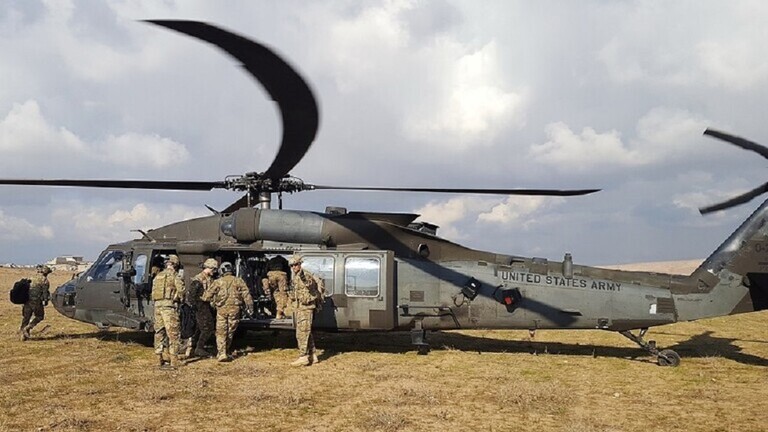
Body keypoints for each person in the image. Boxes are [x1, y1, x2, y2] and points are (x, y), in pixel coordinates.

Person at [202, 262, 254, 362]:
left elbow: (207, 296)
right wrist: (250, 308)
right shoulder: (239, 281)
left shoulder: (218, 282)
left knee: (221, 331)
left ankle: (222, 353)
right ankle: (226, 350)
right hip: (235, 310)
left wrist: (210, 301)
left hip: (221, 309)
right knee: (230, 331)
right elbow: (247, 295)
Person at [288, 254, 324, 367]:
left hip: (306, 308)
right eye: (291, 266)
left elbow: (308, 283)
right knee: (307, 332)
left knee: (301, 333)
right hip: (301, 307)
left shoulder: (305, 275)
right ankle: (313, 355)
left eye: (295, 265)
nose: (293, 267)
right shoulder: (296, 276)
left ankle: (303, 357)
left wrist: (302, 275)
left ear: (300, 264)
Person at [151, 254, 185, 368]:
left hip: (157, 306)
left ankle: (158, 359)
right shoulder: (175, 276)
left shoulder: (158, 276)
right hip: (169, 307)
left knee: (159, 332)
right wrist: (180, 301)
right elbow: (181, 291)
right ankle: (174, 361)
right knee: (174, 334)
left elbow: (153, 293)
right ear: (175, 264)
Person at [184, 258, 218, 358]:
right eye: (214, 269)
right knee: (207, 328)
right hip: (200, 306)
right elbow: (191, 296)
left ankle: (193, 347)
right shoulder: (198, 280)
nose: (215, 272)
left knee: (199, 328)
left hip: (205, 306)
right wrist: (197, 307)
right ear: (210, 268)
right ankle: (199, 348)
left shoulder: (209, 279)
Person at [19, 265, 52, 341]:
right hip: (36, 302)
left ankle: (22, 335)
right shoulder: (44, 281)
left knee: (26, 318)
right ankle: (28, 328)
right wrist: (46, 301)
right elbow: (45, 293)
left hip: (26, 301)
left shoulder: (31, 278)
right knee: (40, 316)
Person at [262, 255, 289, 319]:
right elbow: (288, 271)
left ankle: (273, 311)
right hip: (281, 275)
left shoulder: (271, 260)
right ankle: (279, 313)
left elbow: (265, 271)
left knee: (275, 293)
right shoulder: (284, 260)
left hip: (271, 275)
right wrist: (288, 281)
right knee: (283, 295)